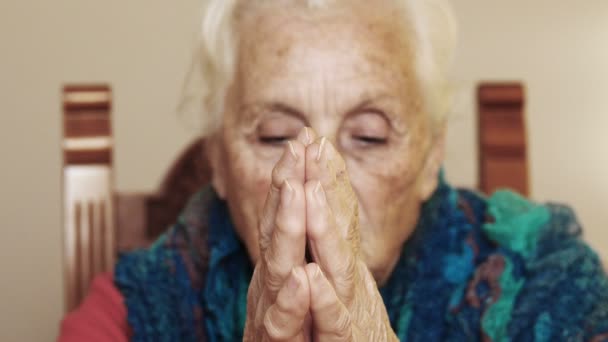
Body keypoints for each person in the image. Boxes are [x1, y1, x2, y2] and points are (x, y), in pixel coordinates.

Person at [59, 0, 608, 341]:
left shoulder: (548, 287)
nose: (320, 183)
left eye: (368, 136)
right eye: (275, 135)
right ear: (219, 161)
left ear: (430, 156)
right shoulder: (129, 313)